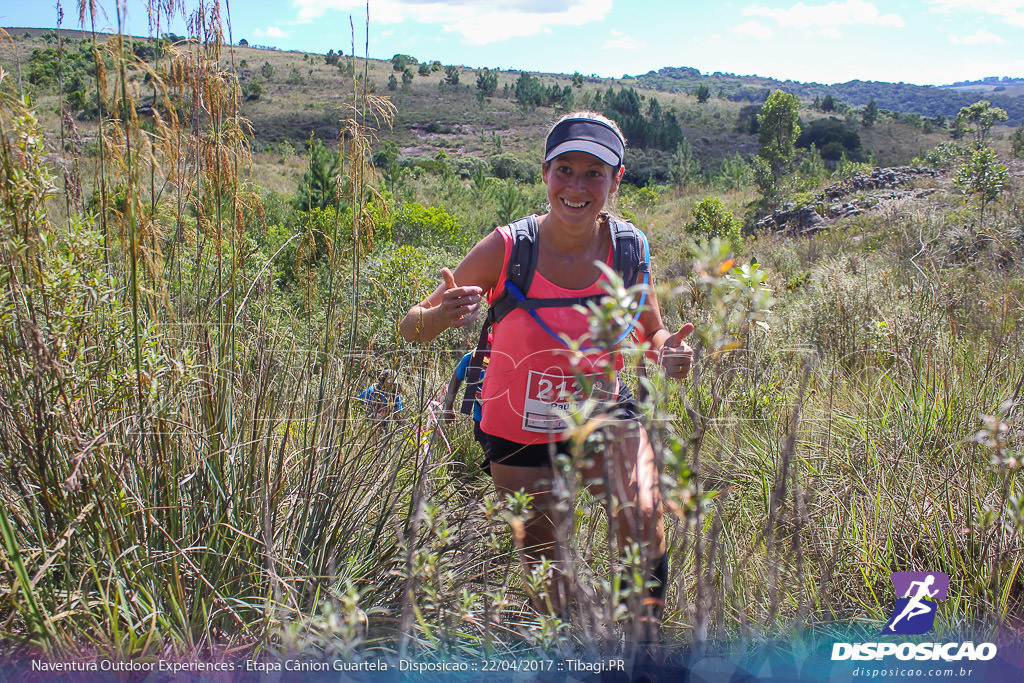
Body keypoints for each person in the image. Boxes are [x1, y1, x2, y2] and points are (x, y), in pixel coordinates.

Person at [399, 112, 694, 638]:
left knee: (644, 515)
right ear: (545, 173)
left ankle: (642, 648)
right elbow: (411, 327)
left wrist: (665, 349)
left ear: (616, 178)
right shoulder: (508, 249)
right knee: (547, 564)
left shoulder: (630, 250)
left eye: (593, 173)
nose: (577, 187)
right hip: (518, 425)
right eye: (566, 170)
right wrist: (441, 315)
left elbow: (650, 332)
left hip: (603, 408)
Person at [441, 347, 490, 468]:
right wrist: (449, 407)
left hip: (503, 420)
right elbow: (456, 378)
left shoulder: (507, 357)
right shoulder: (470, 359)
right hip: (481, 419)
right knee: (490, 459)